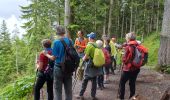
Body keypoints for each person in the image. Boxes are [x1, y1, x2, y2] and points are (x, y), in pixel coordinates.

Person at [44, 26, 73, 100]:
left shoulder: (56, 42)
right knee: (68, 89)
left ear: (57, 33)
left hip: (58, 68)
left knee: (57, 90)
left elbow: (53, 58)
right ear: (64, 32)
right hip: (68, 67)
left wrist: (46, 54)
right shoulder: (70, 41)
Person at [76, 32, 102, 100]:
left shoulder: (89, 45)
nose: (88, 38)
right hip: (96, 65)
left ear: (90, 38)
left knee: (85, 80)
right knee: (94, 80)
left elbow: (86, 57)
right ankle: (93, 96)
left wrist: (82, 58)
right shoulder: (97, 45)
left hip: (89, 65)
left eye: (89, 37)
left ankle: (81, 95)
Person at [118, 32, 141, 99]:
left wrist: (123, 57)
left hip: (128, 69)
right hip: (136, 68)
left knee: (122, 83)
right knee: (132, 83)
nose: (125, 38)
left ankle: (121, 97)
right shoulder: (138, 45)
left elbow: (125, 60)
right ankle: (132, 97)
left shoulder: (128, 47)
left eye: (126, 37)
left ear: (128, 38)